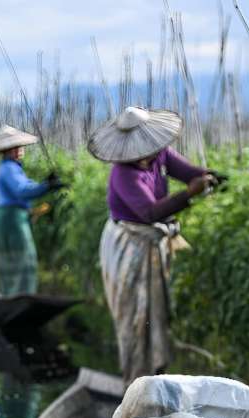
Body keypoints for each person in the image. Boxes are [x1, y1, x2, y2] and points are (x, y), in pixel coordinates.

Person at [87, 106, 220, 385]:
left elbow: (188, 172)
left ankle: (155, 378)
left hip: (151, 242)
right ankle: (134, 382)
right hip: (129, 246)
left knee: (155, 314)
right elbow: (150, 213)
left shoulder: (160, 155)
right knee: (134, 317)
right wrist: (189, 193)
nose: (147, 153)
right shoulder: (124, 174)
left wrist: (209, 176)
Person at [0, 125, 63, 296]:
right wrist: (47, 186)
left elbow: (25, 186)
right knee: (24, 260)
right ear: (7, 150)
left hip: (4, 218)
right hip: (11, 219)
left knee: (9, 262)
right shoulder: (9, 168)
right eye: (15, 147)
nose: (20, 150)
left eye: (20, 147)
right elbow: (23, 191)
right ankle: (22, 299)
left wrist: (46, 184)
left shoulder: (7, 168)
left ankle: (9, 298)